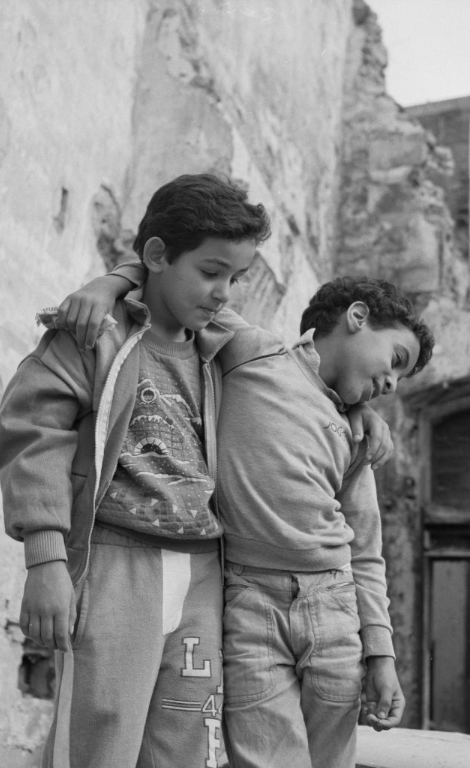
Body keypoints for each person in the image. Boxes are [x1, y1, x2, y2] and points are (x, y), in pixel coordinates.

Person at [0, 173, 391, 768]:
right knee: (102, 737)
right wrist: (45, 558)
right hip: (115, 561)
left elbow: (299, 379)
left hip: (205, 573)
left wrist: (357, 408)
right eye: (210, 272)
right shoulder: (92, 337)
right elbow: (31, 435)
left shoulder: (223, 346)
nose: (224, 291)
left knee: (190, 743)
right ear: (156, 256)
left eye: (236, 277)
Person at [58, 262, 434, 767]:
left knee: (330, 758)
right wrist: (109, 284)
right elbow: (170, 282)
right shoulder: (253, 353)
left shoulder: (358, 433)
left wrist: (381, 656)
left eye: (398, 379)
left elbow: (366, 551)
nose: (391, 383)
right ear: (357, 317)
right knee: (263, 757)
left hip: (334, 604)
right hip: (248, 600)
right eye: (396, 360)